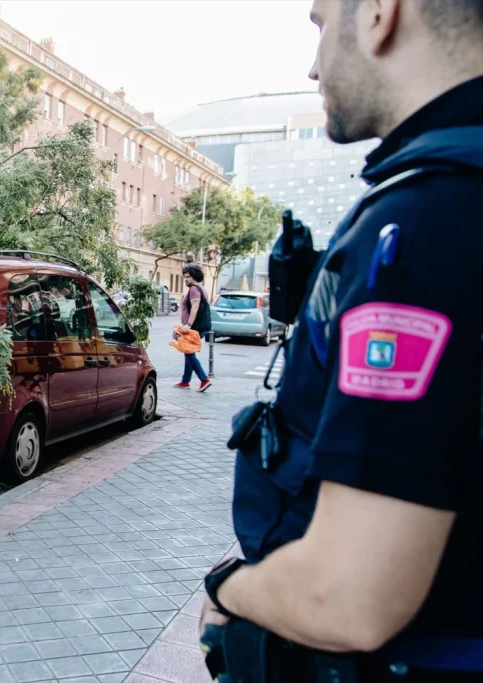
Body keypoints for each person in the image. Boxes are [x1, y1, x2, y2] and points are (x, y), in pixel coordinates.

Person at [200, 0, 483, 681]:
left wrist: (226, 591)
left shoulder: (422, 224)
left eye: (322, 23)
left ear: (382, 13)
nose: (313, 63)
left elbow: (352, 593)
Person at [174, 265, 212, 392]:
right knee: (188, 352)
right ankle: (185, 381)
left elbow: (195, 307)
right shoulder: (201, 289)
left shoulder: (194, 289)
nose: (185, 279)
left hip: (194, 327)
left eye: (188, 277)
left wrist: (188, 325)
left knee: (189, 353)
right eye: (184, 277)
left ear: (194, 276)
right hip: (200, 326)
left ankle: (204, 379)